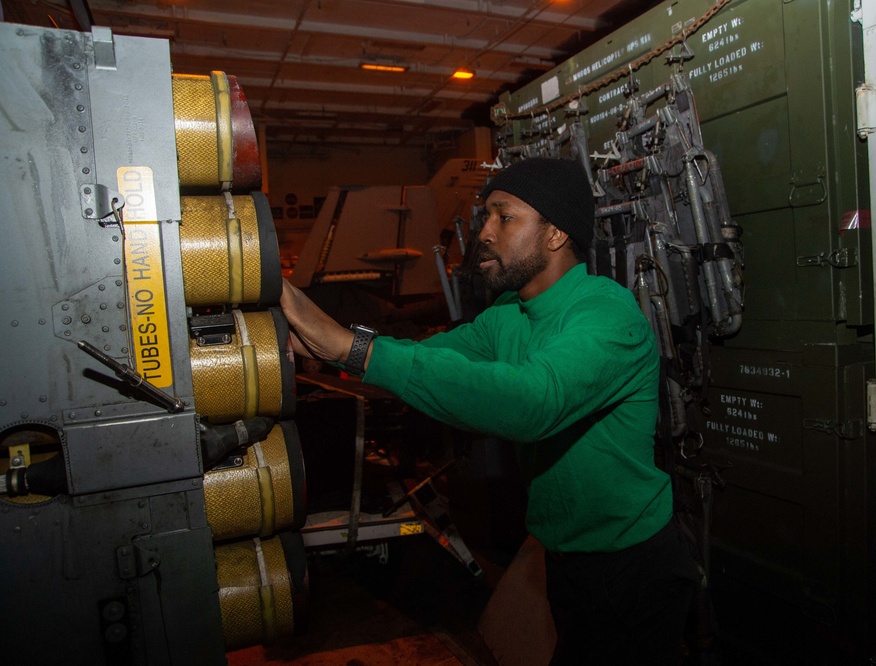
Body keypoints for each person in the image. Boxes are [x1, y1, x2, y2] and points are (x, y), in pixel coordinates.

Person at [280, 157, 698, 664]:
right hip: (569, 560)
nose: (484, 232)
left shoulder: (607, 312)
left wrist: (351, 349)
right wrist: (328, 344)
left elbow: (531, 402)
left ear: (555, 234)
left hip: (632, 569)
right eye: (485, 217)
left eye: (505, 217)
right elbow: (427, 358)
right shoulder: (506, 316)